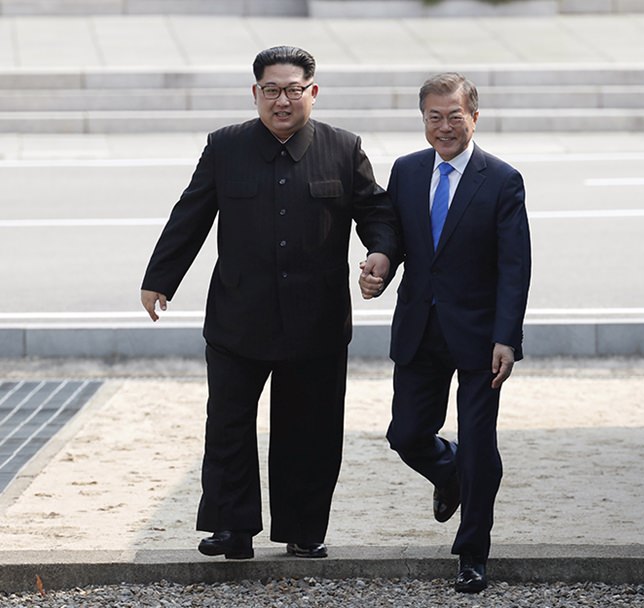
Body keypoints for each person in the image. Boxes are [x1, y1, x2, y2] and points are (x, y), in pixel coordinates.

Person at [141, 46, 399, 561]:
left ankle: (303, 530)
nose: (283, 100)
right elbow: (190, 215)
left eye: (293, 90)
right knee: (229, 425)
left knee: (311, 429)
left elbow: (378, 212)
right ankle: (232, 530)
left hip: (318, 320)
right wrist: (160, 279)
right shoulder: (225, 147)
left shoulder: (343, 149)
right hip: (239, 315)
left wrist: (382, 254)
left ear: (312, 92)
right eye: (272, 90)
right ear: (255, 93)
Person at [360, 72, 531, 592]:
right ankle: (448, 473)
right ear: (424, 121)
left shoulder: (501, 179)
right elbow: (394, 231)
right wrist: (380, 261)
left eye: (455, 115)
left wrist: (507, 337)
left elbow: (515, 266)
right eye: (434, 116)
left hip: (481, 336)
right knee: (406, 433)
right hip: (419, 326)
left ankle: (472, 552)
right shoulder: (408, 171)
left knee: (479, 443)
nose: (445, 126)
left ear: (474, 117)